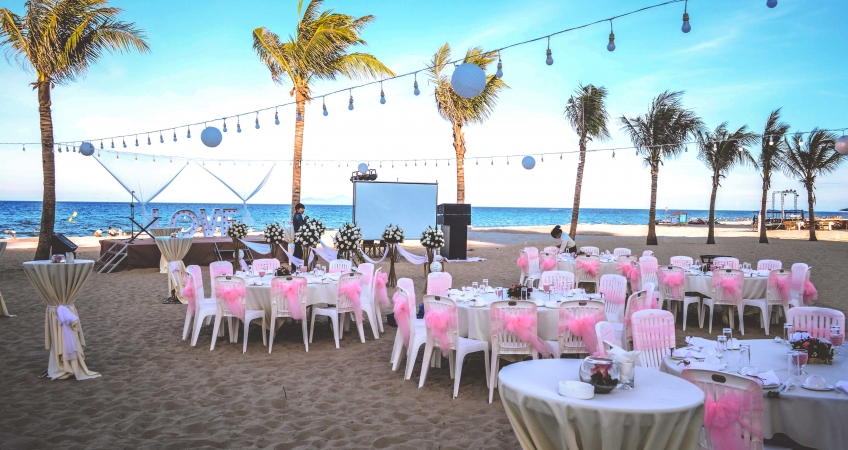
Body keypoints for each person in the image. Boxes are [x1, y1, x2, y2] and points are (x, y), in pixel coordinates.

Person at [292, 203, 306, 268]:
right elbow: (302, 224)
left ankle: (295, 267)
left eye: (303, 209)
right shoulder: (297, 216)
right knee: (298, 253)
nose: (303, 210)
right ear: (297, 209)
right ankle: (294, 268)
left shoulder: (299, 215)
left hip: (298, 236)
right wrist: (305, 219)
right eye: (302, 209)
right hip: (298, 236)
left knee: (298, 252)